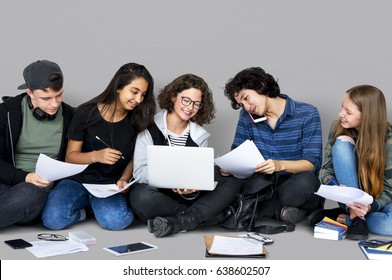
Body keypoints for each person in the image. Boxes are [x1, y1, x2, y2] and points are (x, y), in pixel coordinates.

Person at [42, 62, 156, 231]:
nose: (138, 100)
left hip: (108, 186)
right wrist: (96, 156)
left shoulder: (138, 120)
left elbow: (134, 157)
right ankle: (84, 213)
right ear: (119, 86)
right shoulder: (85, 113)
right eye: (134, 91)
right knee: (52, 220)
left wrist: (124, 179)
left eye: (143, 94)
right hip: (77, 181)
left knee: (118, 221)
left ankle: (96, 207)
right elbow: (70, 156)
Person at [129, 74, 243, 238]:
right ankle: (208, 217)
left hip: (187, 197)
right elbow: (139, 173)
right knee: (141, 196)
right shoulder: (148, 127)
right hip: (159, 196)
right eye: (186, 100)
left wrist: (194, 187)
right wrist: (171, 178)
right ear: (174, 97)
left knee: (232, 181)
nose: (190, 107)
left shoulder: (200, 135)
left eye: (197, 104)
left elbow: (198, 175)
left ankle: (180, 221)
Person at [223, 67, 323, 225]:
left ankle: (247, 211)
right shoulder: (246, 116)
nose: (247, 107)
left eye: (246, 98)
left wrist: (279, 165)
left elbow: (311, 164)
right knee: (219, 175)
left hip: (294, 184)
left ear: (261, 85)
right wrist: (230, 166)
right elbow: (237, 152)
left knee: (307, 181)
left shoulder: (307, 113)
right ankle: (284, 212)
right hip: (262, 185)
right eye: (242, 104)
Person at [308, 85, 392, 238]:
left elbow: (390, 188)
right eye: (342, 106)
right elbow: (326, 170)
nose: (340, 114)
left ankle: (347, 218)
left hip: (378, 200)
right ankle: (354, 215)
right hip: (349, 196)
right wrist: (336, 187)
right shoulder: (337, 128)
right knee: (341, 144)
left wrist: (369, 206)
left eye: (348, 112)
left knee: (389, 225)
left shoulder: (389, 140)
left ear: (367, 116)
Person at [0, 60, 74, 228]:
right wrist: (25, 177)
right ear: (30, 93)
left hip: (35, 194)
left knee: (29, 193)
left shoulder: (71, 116)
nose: (55, 103)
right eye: (46, 98)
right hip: (8, 183)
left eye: (59, 95)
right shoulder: (6, 113)